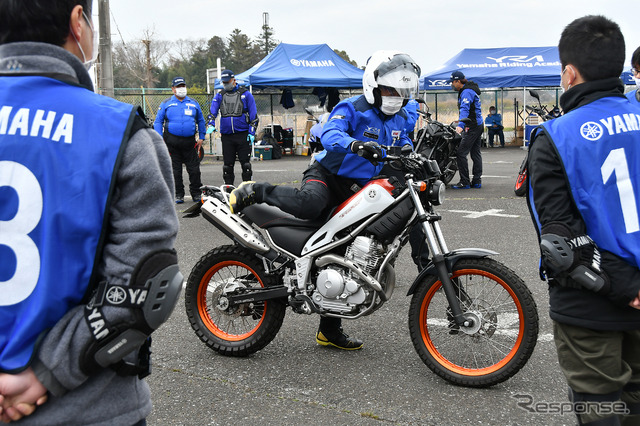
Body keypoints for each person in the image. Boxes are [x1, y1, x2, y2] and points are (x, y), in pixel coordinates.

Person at [0, 1, 182, 424]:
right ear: (77, 22)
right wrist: (43, 375)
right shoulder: (119, 130)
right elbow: (145, 284)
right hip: (91, 408)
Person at [228, 50, 422, 350]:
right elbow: (331, 133)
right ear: (373, 85)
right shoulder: (351, 108)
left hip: (361, 187)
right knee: (311, 204)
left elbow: (403, 144)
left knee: (349, 250)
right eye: (390, 89)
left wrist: (412, 156)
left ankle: (328, 330)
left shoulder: (401, 117)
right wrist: (356, 144)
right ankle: (257, 190)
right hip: (328, 175)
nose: (396, 96)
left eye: (401, 91)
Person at [527, 15, 640, 425]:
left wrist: (628, 287)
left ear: (569, 73)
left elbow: (560, 241)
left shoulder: (555, 136)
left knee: (601, 410)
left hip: (592, 302)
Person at [154, 76, 206, 204]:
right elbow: (158, 122)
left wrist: (202, 137)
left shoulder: (193, 103)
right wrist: (159, 138)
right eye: (178, 87)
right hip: (172, 143)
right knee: (175, 170)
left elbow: (201, 120)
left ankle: (196, 193)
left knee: (194, 170)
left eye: (183, 86)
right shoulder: (166, 103)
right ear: (173, 89)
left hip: (190, 143)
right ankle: (178, 194)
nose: (181, 89)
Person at [209, 70, 259, 186]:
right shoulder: (220, 95)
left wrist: (252, 132)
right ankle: (229, 189)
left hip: (242, 134)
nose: (226, 84)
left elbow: (254, 115)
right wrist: (211, 123)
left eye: (228, 82)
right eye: (224, 82)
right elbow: (212, 112)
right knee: (227, 165)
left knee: (245, 164)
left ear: (234, 80)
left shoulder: (246, 94)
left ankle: (247, 189)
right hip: (227, 135)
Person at [449, 70, 484, 189]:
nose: (452, 85)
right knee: (475, 153)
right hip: (478, 124)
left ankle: (465, 182)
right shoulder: (470, 89)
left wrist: (460, 126)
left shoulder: (467, 92)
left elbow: (465, 109)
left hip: (472, 126)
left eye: (453, 82)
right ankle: (477, 181)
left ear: (458, 81)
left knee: (461, 153)